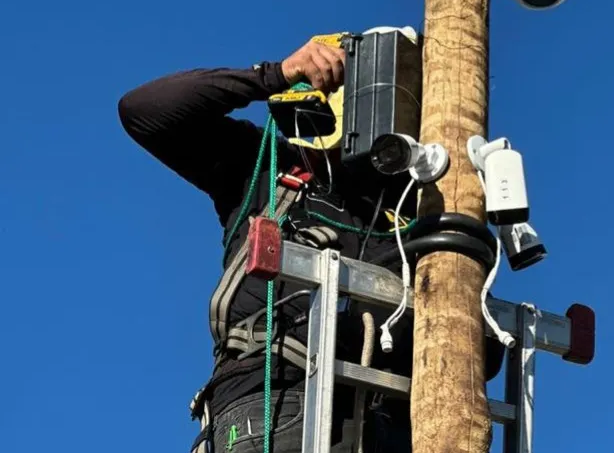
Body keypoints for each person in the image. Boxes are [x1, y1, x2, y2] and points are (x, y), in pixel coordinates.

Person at [118, 38, 504, 453]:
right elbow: (144, 111)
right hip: (277, 402)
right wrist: (273, 76)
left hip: (391, 426)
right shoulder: (267, 171)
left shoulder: (411, 219)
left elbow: (481, 353)